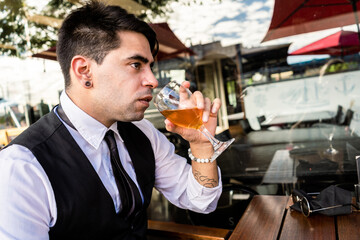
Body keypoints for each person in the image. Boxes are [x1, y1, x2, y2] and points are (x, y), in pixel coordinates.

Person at [0, 1, 223, 240]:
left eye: (150, 66)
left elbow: (201, 201)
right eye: (136, 65)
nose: (153, 80)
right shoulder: (21, 168)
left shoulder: (141, 131)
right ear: (84, 70)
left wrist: (201, 145)